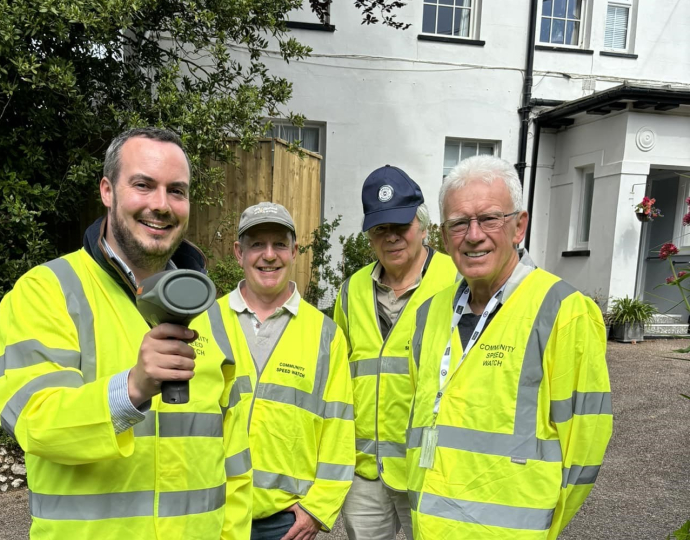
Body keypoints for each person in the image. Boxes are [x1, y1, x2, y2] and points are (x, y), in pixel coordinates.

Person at [0, 127, 252, 539]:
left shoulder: (212, 313)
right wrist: (131, 389)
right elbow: (33, 422)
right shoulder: (47, 291)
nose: (161, 205)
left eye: (177, 191)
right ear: (108, 191)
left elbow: (234, 456)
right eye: (143, 185)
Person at [405, 155, 613, 539]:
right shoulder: (429, 314)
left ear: (519, 225)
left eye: (489, 218)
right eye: (458, 223)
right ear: (443, 235)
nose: (473, 235)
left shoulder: (564, 312)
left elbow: (585, 443)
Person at [205, 202, 355, 540]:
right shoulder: (204, 323)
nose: (269, 255)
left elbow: (339, 429)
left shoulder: (325, 335)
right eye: (257, 244)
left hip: (285, 524)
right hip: (213, 510)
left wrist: (317, 508)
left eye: (279, 244)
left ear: (294, 251)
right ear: (238, 252)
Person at [334, 166, 458, 540]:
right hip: (365, 473)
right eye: (379, 229)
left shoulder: (457, 281)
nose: (391, 238)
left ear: (423, 226)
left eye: (400, 226)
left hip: (431, 466)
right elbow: (337, 375)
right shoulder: (351, 290)